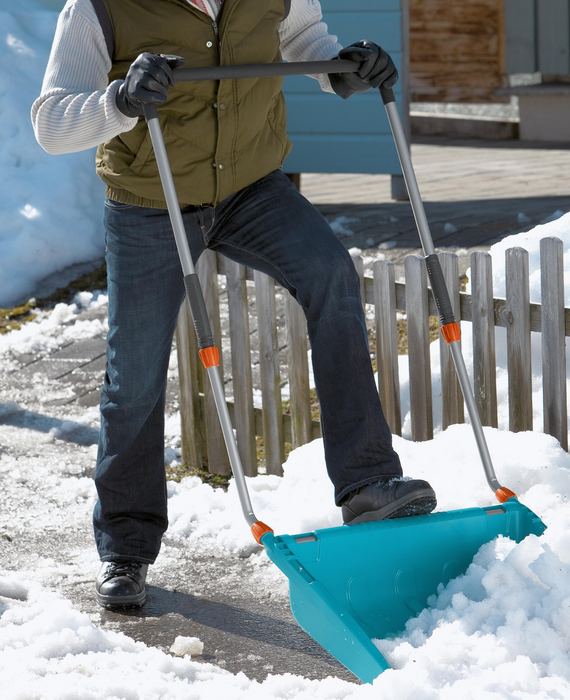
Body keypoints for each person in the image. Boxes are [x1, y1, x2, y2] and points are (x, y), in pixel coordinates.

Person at [32, 0, 437, 610]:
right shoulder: (97, 8)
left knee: (330, 274)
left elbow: (305, 41)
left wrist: (345, 68)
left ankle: (368, 482)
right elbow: (51, 122)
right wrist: (118, 100)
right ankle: (126, 547)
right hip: (152, 198)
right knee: (135, 372)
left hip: (252, 187)